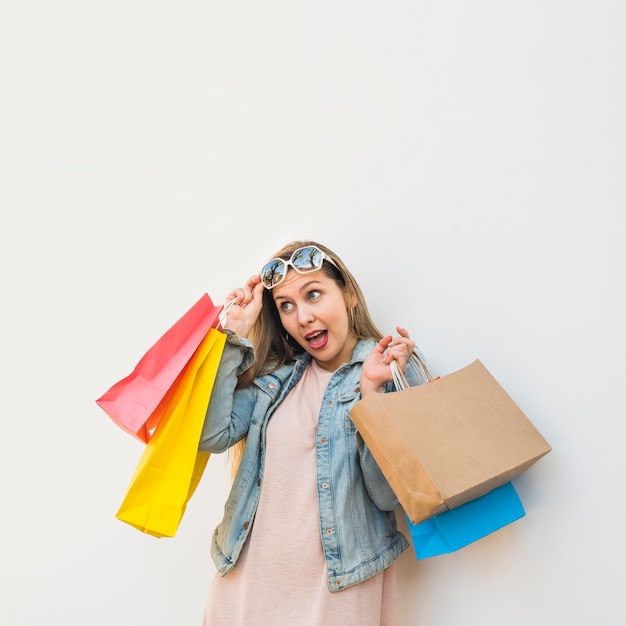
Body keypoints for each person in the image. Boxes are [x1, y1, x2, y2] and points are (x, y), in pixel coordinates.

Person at [199, 241, 427, 626]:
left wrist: (370, 395)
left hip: (337, 589)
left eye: (314, 294)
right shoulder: (276, 378)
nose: (302, 317)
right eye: (286, 305)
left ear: (349, 294)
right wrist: (231, 337)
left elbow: (390, 497)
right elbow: (210, 435)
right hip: (247, 583)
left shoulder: (391, 368)